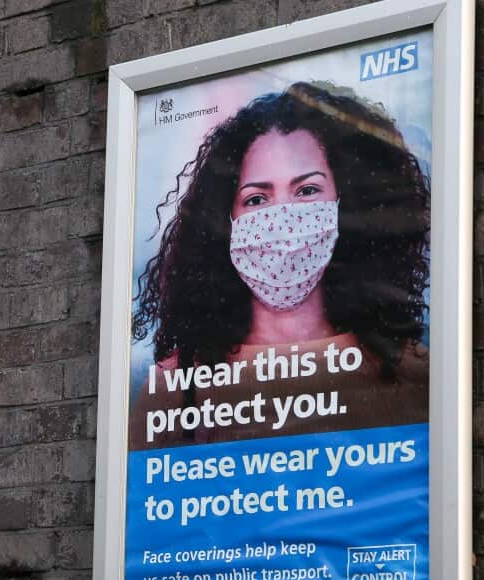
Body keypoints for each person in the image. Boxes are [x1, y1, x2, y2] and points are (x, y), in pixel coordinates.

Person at [130, 81, 430, 450]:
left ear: (346, 202)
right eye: (257, 199)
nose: (282, 219)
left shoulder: (408, 374)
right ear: (226, 219)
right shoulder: (178, 388)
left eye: (307, 191)